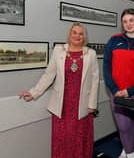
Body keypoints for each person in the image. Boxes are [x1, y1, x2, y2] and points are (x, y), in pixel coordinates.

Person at [18, 22, 100, 158]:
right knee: (62, 139)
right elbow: (49, 74)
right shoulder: (58, 50)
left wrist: (92, 105)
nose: (77, 36)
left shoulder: (91, 54)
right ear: (69, 34)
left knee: (79, 139)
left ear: (84, 37)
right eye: (74, 32)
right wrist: (33, 92)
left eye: (81, 34)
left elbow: (94, 80)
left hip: (82, 106)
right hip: (62, 105)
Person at [103, 8, 134, 158]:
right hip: (116, 90)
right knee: (122, 124)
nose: (128, 24)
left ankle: (127, 149)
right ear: (122, 24)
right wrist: (114, 89)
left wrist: (131, 91)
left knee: (131, 121)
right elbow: (106, 67)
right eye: (125, 21)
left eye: (131, 20)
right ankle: (130, 152)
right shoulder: (114, 40)